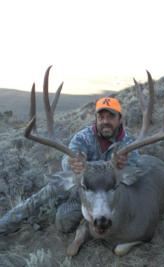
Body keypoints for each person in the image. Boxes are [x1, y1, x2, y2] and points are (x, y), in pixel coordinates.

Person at [0, 97, 139, 235]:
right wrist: (72, 163)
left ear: (120, 119)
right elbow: (68, 159)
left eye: (111, 117)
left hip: (110, 194)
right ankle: (5, 223)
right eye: (101, 117)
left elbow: (134, 173)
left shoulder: (127, 143)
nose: (105, 121)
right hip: (84, 187)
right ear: (96, 119)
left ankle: (88, 224)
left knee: (67, 219)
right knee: (50, 201)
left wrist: (123, 166)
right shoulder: (83, 137)